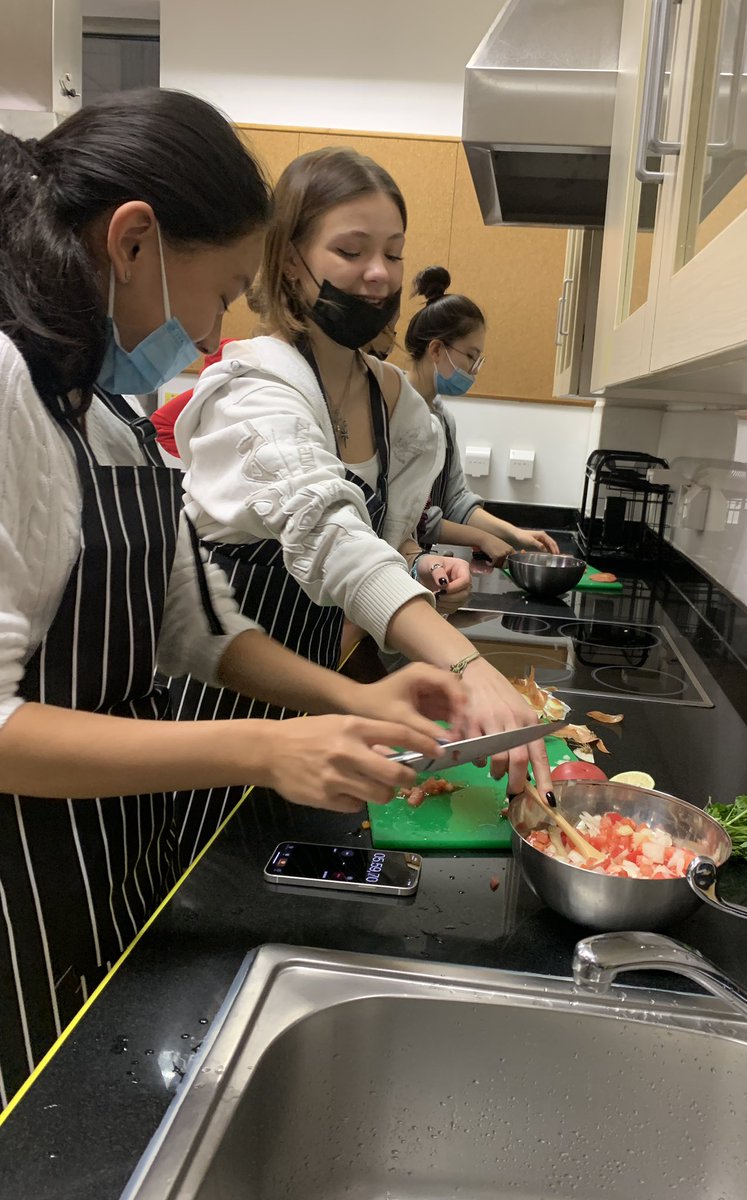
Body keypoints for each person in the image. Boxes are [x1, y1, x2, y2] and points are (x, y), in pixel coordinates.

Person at [0, 90, 464, 1107]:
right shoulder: (5, 394)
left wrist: (354, 698)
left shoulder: (108, 414)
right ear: (132, 242)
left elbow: (193, 622)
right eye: (218, 292)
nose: (215, 327)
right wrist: (261, 748)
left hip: (118, 860)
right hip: (20, 890)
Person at [170, 147, 552, 851]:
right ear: (290, 260)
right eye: (351, 251)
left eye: (394, 253)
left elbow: (380, 543)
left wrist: (418, 567)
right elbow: (327, 534)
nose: (379, 274)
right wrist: (465, 662)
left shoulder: (395, 405)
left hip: (326, 706)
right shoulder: (255, 389)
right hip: (223, 715)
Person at [404, 266, 560, 565]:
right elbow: (411, 516)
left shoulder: (443, 419)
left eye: (478, 360)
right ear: (436, 350)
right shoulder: (394, 409)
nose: (474, 370)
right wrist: (481, 538)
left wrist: (515, 534)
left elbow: (455, 500)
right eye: (470, 356)